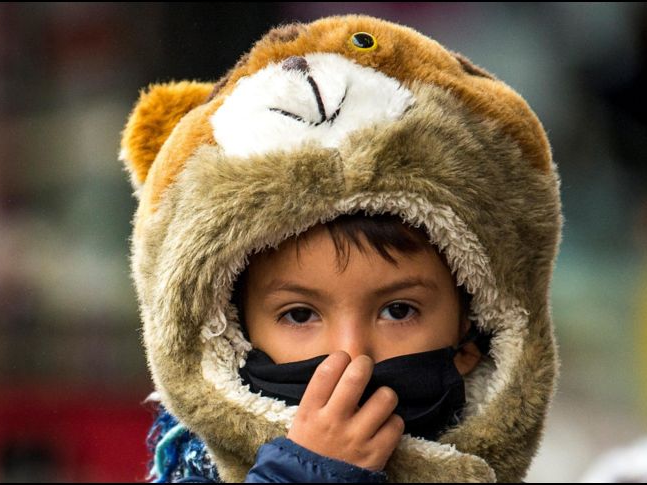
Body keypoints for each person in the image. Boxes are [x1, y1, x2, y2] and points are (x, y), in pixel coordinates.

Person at [123, 14, 562, 483]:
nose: (351, 356)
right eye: (299, 315)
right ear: (233, 334)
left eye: (398, 310)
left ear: (472, 330)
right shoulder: (190, 470)